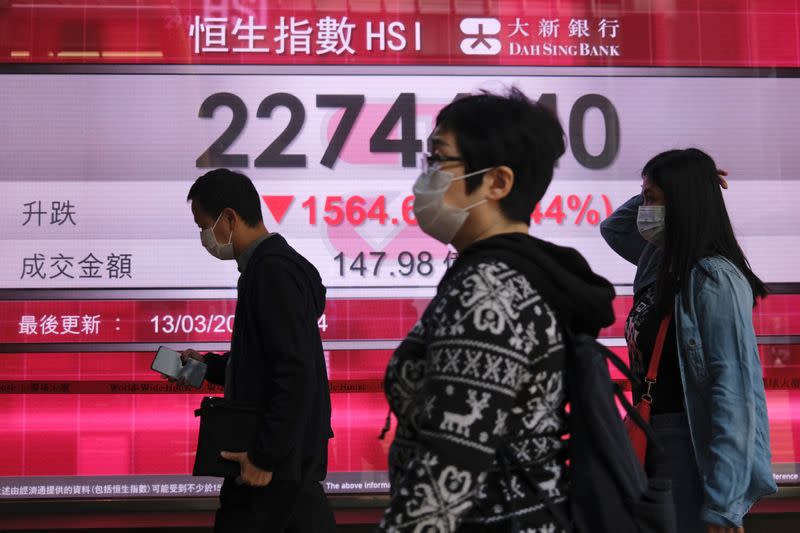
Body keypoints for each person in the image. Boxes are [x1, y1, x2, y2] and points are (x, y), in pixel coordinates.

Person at [378, 89, 616, 532]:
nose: (425, 177)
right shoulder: (525, 272)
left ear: (498, 182)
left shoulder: (487, 288)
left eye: (439, 159)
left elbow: (448, 469)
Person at [600, 148, 777, 533]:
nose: (645, 209)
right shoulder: (661, 260)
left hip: (691, 451)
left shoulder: (712, 278)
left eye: (652, 199)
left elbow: (734, 391)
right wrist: (665, 189)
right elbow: (613, 229)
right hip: (657, 445)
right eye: (644, 197)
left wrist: (724, 501)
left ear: (682, 204)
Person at [182, 168, 335, 533]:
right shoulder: (269, 268)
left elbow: (294, 371)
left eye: (205, 226)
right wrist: (210, 367)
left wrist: (265, 457)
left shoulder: (271, 272)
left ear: (230, 218)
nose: (205, 237)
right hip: (281, 466)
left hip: (272, 471)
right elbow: (268, 359)